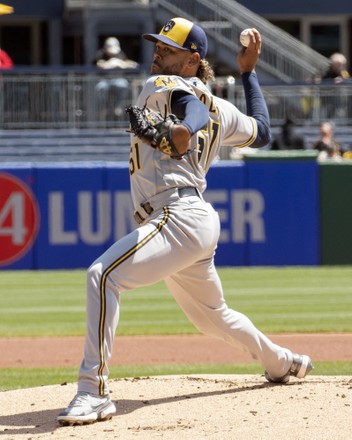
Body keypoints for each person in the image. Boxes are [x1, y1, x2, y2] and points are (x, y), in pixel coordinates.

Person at [57, 18, 313, 426]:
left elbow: (188, 109)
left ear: (193, 59)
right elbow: (262, 131)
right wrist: (248, 74)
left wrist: (183, 129)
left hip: (176, 215)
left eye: (168, 50)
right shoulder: (221, 107)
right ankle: (282, 362)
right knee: (214, 316)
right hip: (194, 220)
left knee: (102, 276)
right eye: (157, 47)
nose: (157, 54)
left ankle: (93, 392)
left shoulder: (163, 88)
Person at [94, 37, 139, 118]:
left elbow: (128, 62)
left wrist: (121, 63)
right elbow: (99, 64)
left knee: (123, 85)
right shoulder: (100, 54)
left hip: (117, 79)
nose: (112, 54)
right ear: (105, 48)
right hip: (105, 80)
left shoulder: (120, 54)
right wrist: (110, 63)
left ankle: (117, 106)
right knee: (100, 87)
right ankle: (105, 107)